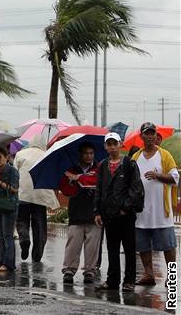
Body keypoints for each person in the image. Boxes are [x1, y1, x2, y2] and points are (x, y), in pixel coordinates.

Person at [94, 132, 144, 292]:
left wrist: (125, 208)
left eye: (114, 143)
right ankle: (112, 280)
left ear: (120, 144)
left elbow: (136, 188)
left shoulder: (130, 164)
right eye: (109, 144)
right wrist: (97, 212)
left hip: (126, 215)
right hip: (109, 215)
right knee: (112, 249)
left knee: (129, 248)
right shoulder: (102, 165)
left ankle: (129, 281)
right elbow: (99, 190)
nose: (112, 147)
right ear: (105, 146)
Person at [131, 122, 178, 287]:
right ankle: (149, 274)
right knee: (143, 245)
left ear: (156, 136)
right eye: (147, 133)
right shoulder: (135, 158)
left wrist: (158, 175)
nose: (150, 136)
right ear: (141, 136)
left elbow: (175, 178)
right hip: (141, 213)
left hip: (161, 213)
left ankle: (171, 277)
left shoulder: (164, 155)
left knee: (168, 246)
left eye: (153, 134)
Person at [59, 142, 101, 284]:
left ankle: (90, 271)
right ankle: (69, 270)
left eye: (91, 153)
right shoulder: (70, 170)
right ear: (80, 155)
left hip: (94, 213)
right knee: (73, 244)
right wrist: (74, 184)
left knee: (92, 246)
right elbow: (66, 190)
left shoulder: (99, 168)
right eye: (86, 153)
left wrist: (78, 179)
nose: (89, 156)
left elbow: (96, 182)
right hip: (76, 213)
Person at [14, 134, 59, 262]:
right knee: (39, 224)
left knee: (22, 220)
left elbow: (15, 174)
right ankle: (37, 253)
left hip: (23, 194)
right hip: (41, 195)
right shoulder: (48, 155)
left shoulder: (21, 154)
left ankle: (24, 239)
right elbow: (53, 175)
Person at [0, 147, 20, 272]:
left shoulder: (12, 170)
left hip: (9, 206)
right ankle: (2, 261)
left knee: (8, 235)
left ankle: (9, 264)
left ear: (6, 157)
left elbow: (15, 189)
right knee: (1, 236)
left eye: (0, 157)